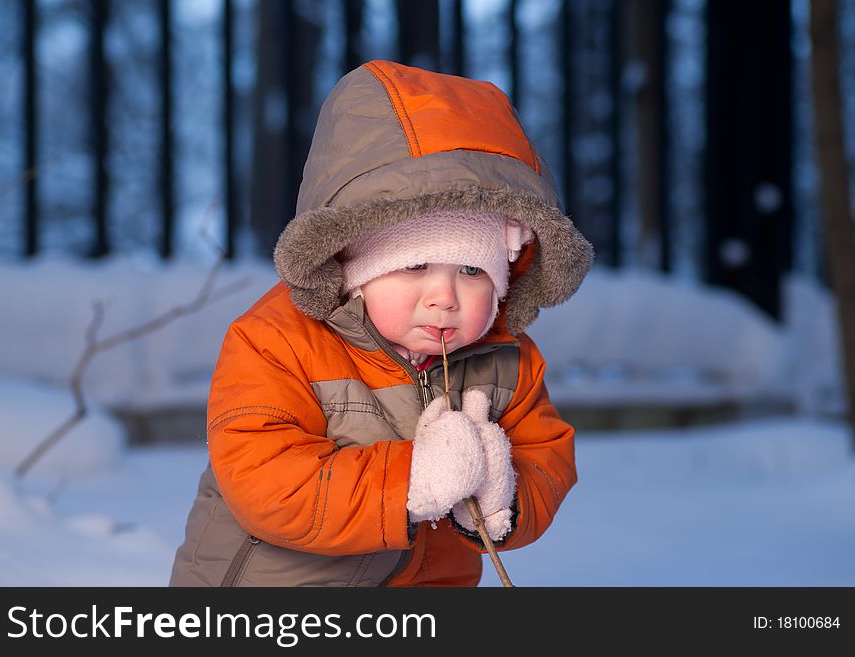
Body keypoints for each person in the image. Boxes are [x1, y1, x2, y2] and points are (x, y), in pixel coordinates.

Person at [170, 60, 593, 587]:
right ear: (356, 266)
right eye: (414, 267)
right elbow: (265, 480)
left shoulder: (508, 360)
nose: (444, 297)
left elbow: (547, 457)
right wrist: (412, 482)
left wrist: (503, 493)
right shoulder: (277, 340)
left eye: (470, 270)